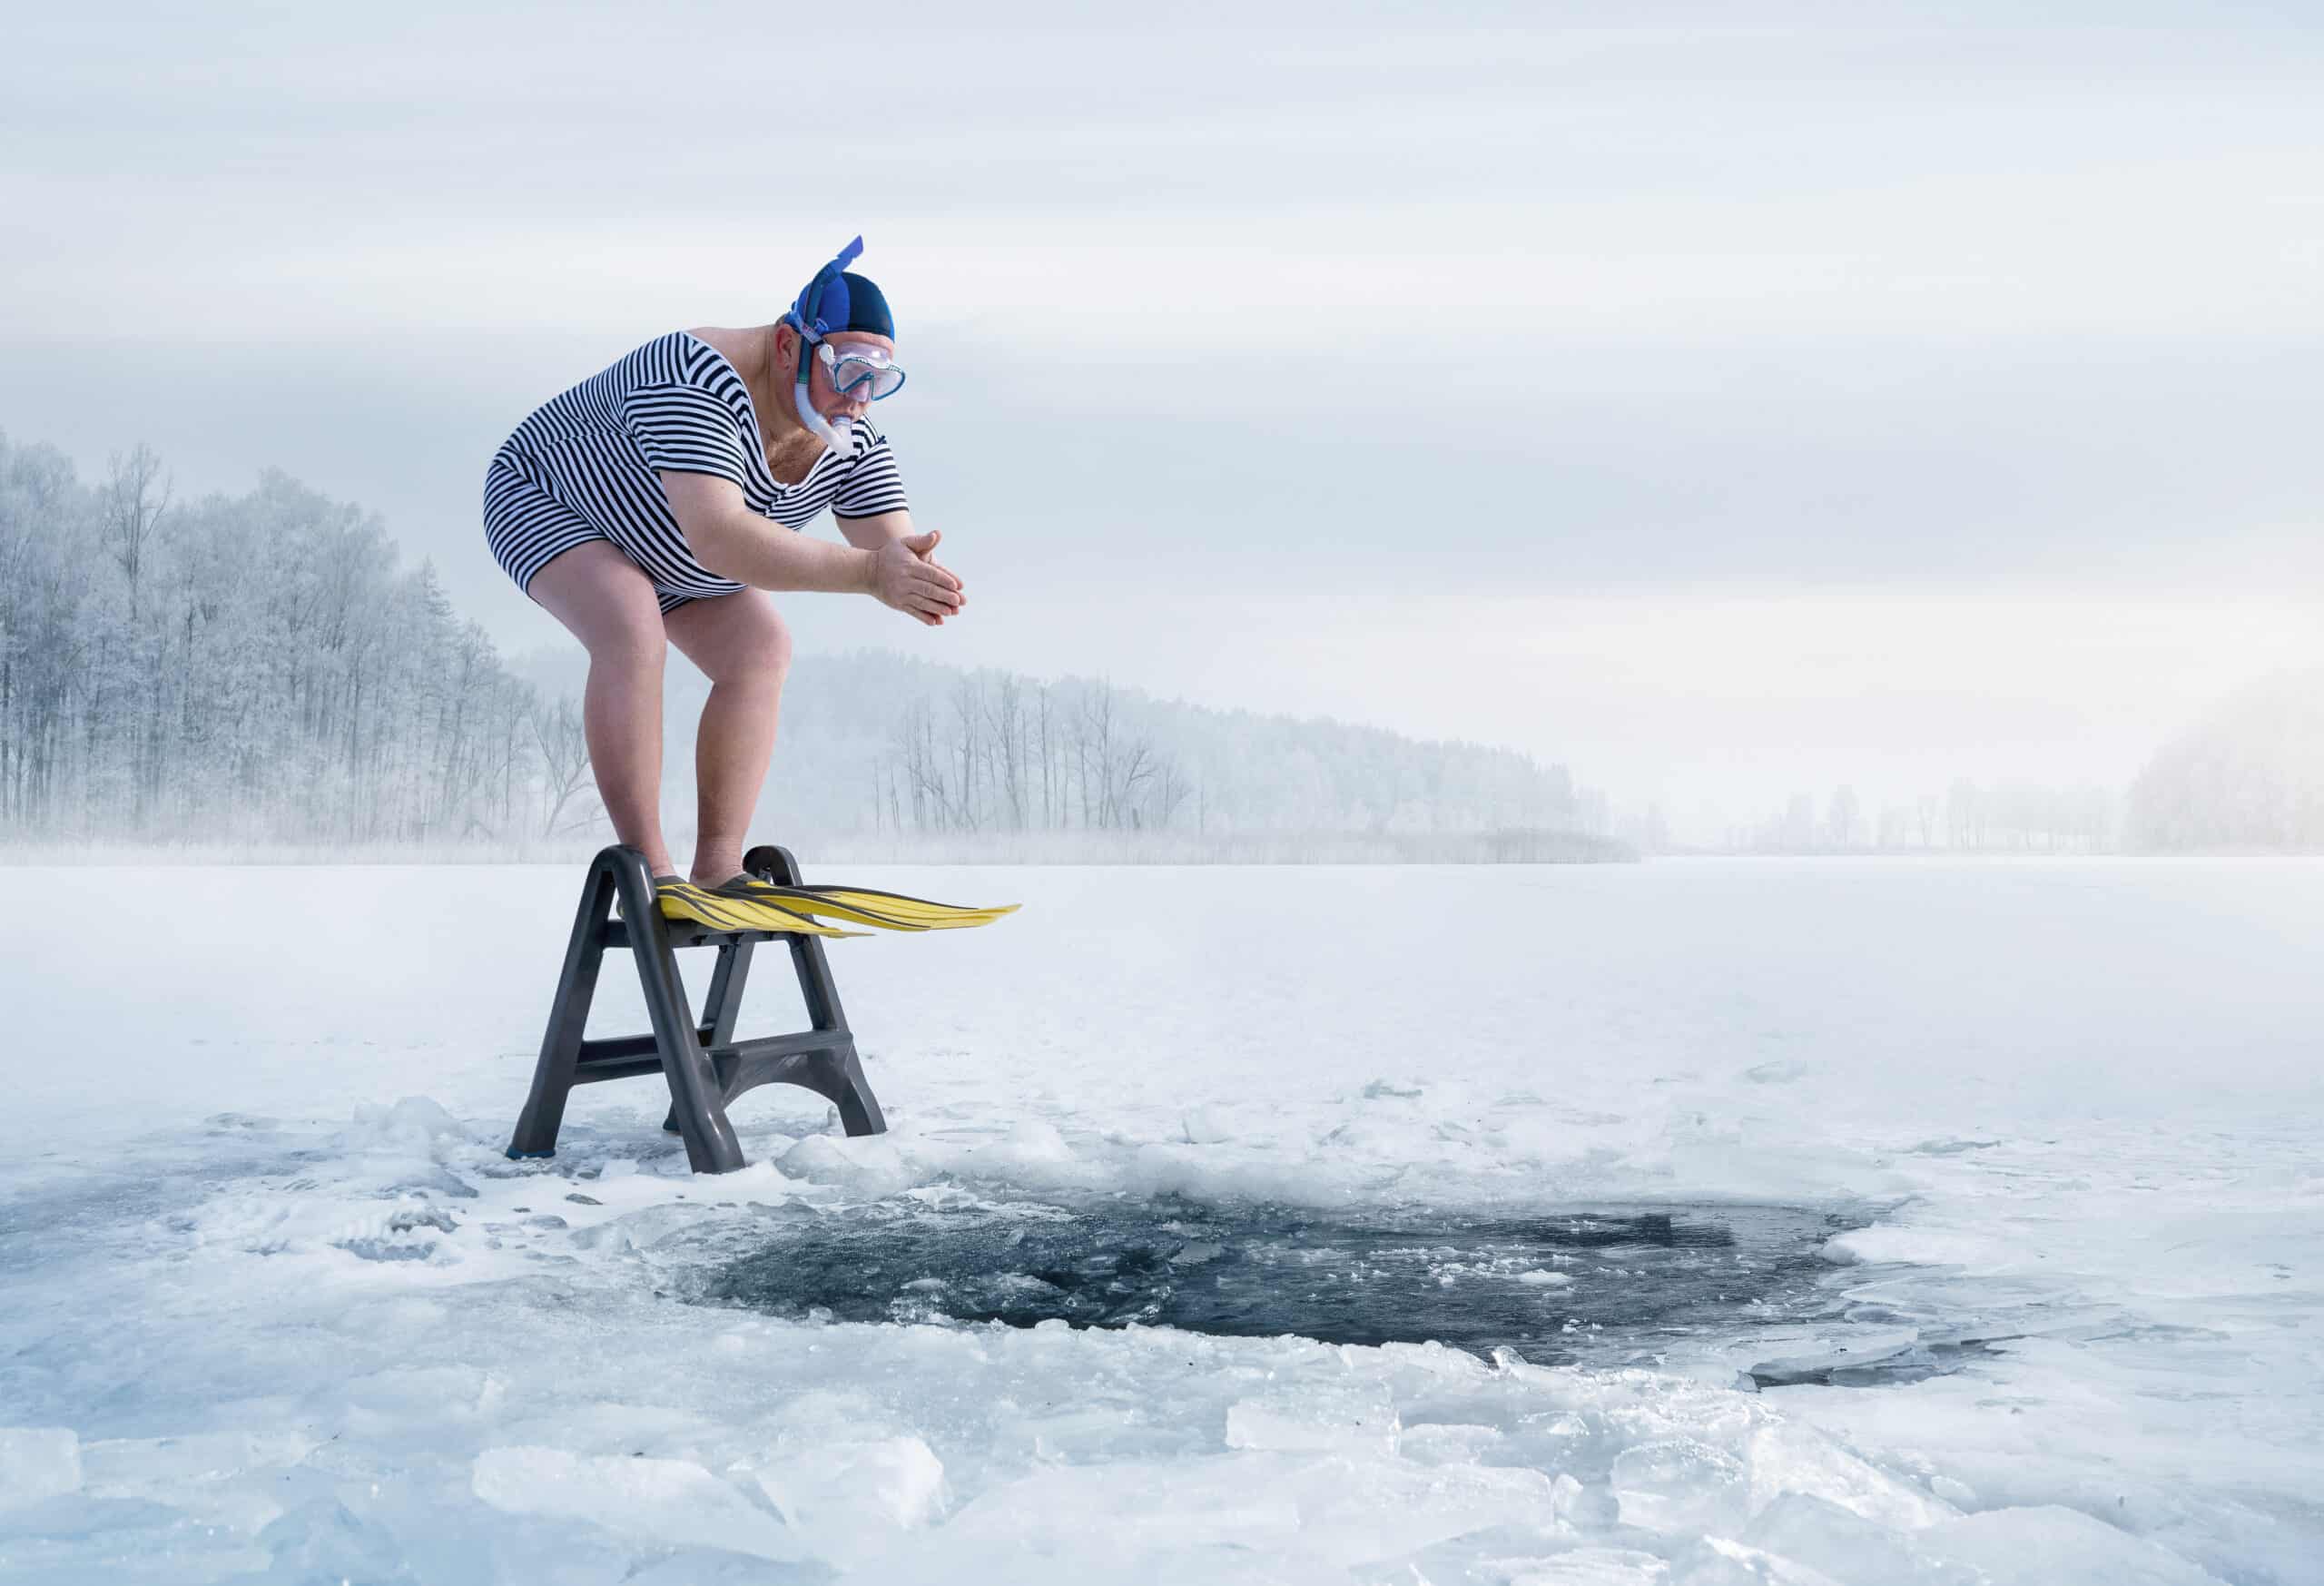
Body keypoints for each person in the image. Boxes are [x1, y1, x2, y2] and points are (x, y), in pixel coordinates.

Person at [483, 238, 962, 911]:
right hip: (550, 499)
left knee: (761, 650)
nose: (860, 398)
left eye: (878, 381)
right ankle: (650, 871)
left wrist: (913, 575)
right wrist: (869, 574)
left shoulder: (851, 434)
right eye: (849, 370)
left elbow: (890, 548)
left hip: (673, 548)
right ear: (790, 344)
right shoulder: (695, 375)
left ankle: (718, 868)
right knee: (630, 626)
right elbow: (722, 537)